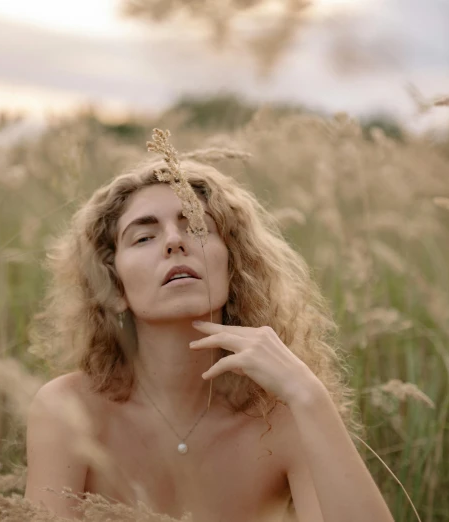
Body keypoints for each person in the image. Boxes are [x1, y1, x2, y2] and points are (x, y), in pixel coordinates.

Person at [24, 156, 394, 522]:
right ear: (113, 287)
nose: (174, 241)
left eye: (198, 228)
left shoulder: (280, 416)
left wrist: (309, 395)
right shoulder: (69, 411)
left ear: (234, 267)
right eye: (144, 237)